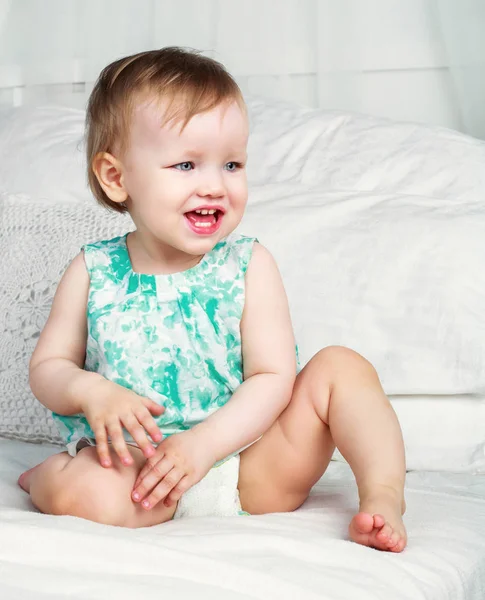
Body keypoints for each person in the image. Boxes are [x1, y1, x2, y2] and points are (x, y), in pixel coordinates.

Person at [18, 47, 407, 552]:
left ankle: (383, 495)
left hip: (251, 465)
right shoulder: (94, 271)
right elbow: (47, 368)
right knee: (87, 493)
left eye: (231, 164)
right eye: (185, 164)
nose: (214, 186)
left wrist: (203, 445)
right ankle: (50, 476)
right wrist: (89, 390)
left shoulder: (248, 265)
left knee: (343, 367)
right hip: (143, 471)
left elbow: (272, 379)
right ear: (116, 178)